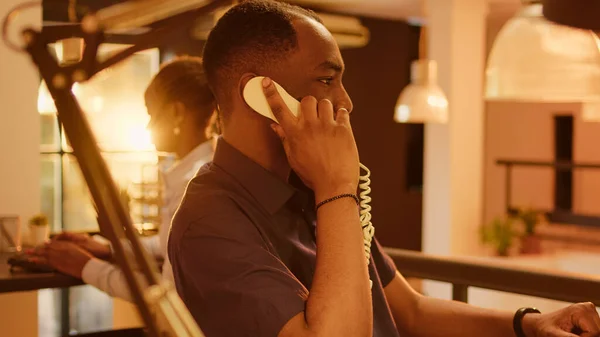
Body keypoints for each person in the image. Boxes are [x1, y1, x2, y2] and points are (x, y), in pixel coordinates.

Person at [168, 1, 600, 337]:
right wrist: (337, 189)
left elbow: (407, 310)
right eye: (326, 79)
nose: (346, 101)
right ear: (261, 94)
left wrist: (529, 323)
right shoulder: (209, 223)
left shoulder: (307, 188)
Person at [28, 56, 218, 302]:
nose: (148, 126)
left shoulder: (193, 184)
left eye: (151, 114)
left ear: (176, 112)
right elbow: (166, 246)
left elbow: (168, 296)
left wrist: (85, 266)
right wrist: (108, 248)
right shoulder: (199, 170)